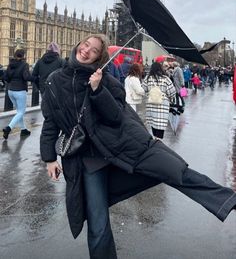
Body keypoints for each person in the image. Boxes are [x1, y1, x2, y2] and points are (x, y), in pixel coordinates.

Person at [40, 34, 236, 259]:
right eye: (85, 45)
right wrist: (49, 158)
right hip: (90, 161)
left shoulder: (104, 80)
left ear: (99, 57)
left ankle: (228, 200)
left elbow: (115, 116)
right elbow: (51, 122)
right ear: (78, 44)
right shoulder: (55, 80)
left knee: (176, 171)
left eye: (93, 50)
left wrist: (97, 90)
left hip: (122, 147)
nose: (86, 50)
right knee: (98, 223)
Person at [2, 49, 34, 139]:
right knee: (21, 111)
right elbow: (26, 76)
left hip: (10, 91)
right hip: (20, 91)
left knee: (19, 111)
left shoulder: (10, 64)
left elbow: (6, 77)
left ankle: (23, 130)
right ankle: (8, 128)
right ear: (23, 56)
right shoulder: (25, 65)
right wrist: (35, 78)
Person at [142, 61, 176, 139]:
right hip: (162, 106)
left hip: (151, 105)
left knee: (153, 123)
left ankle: (155, 139)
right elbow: (172, 93)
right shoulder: (166, 79)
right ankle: (158, 141)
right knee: (160, 125)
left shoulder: (147, 78)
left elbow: (143, 89)